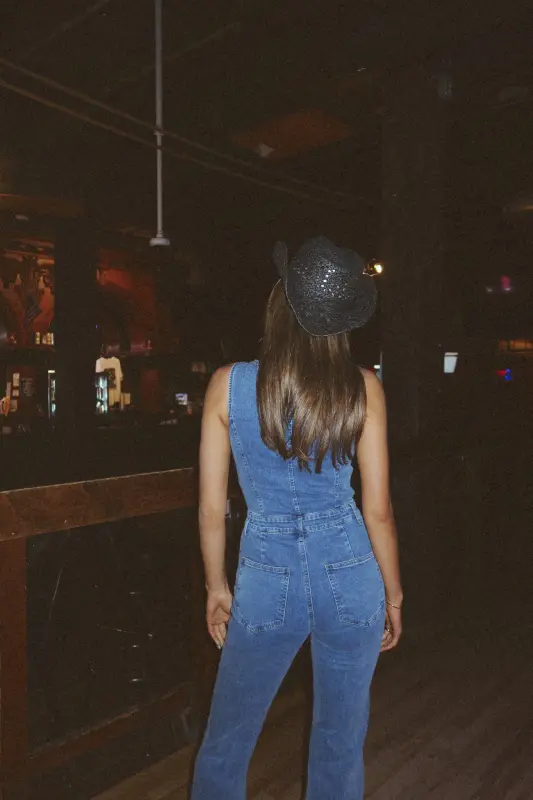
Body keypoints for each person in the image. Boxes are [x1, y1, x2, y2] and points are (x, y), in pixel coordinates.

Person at [191, 236, 402, 800]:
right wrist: (394, 593)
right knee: (339, 742)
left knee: (227, 742)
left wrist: (216, 586)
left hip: (267, 574)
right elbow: (378, 509)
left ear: (279, 303)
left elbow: (211, 507)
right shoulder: (363, 387)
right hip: (351, 571)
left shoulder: (227, 386)